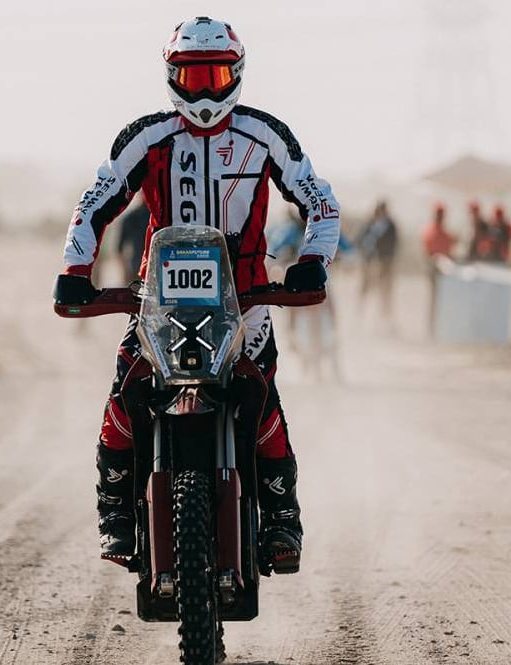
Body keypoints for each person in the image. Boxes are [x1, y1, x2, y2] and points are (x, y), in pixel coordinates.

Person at [52, 17, 341, 573]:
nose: (204, 90)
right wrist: (73, 268)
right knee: (127, 395)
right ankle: (114, 511)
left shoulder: (266, 135)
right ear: (170, 76)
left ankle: (283, 518)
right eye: (192, 76)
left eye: (215, 74)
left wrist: (312, 261)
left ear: (236, 73)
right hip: (159, 302)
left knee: (260, 401)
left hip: (248, 304)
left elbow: (320, 202)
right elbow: (94, 203)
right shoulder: (147, 137)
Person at [357, 200, 400, 323]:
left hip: (384, 263)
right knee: (365, 291)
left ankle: (384, 321)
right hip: (370, 263)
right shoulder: (370, 224)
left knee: (385, 293)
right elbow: (360, 240)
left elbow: (393, 244)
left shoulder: (390, 226)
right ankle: (360, 318)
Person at [421, 203, 457, 337]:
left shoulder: (436, 231)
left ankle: (437, 328)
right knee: (436, 300)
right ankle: (433, 329)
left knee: (439, 301)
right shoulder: (432, 231)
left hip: (441, 271)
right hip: (435, 270)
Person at [115, 197, 150, 285]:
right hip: (138, 270)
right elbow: (119, 249)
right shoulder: (131, 218)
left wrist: (125, 272)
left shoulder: (130, 217)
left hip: (138, 268)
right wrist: (125, 271)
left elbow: (119, 249)